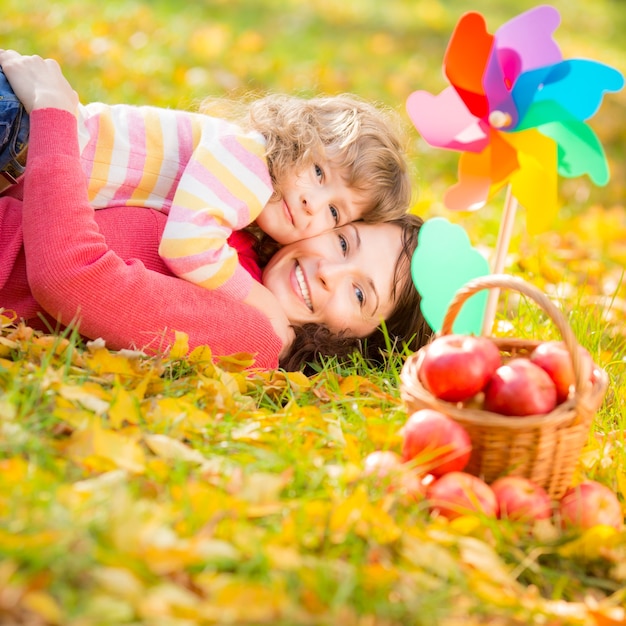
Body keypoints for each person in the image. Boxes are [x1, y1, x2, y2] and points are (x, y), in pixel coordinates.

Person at [0, 50, 431, 371]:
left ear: (364, 342)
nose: (328, 271)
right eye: (342, 241)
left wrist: (52, 111)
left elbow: (71, 280)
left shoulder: (254, 333)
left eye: (359, 295)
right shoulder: (240, 223)